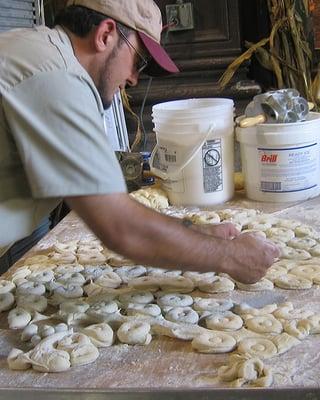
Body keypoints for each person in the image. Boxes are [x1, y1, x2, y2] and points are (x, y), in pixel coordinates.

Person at [0, 0, 279, 284]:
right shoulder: (55, 78)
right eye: (139, 61)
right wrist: (229, 256)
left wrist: (191, 232)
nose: (134, 78)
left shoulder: (41, 52)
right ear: (106, 34)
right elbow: (120, 227)